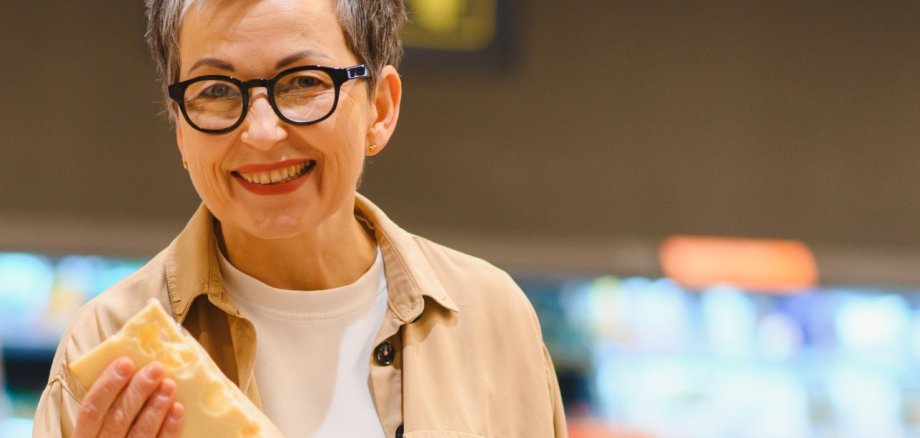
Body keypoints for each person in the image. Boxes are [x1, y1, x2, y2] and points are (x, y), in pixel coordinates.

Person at [33, 0, 567, 436]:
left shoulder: (492, 320)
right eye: (216, 91)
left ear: (380, 108)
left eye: (304, 82)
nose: (262, 133)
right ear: (180, 127)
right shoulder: (106, 349)